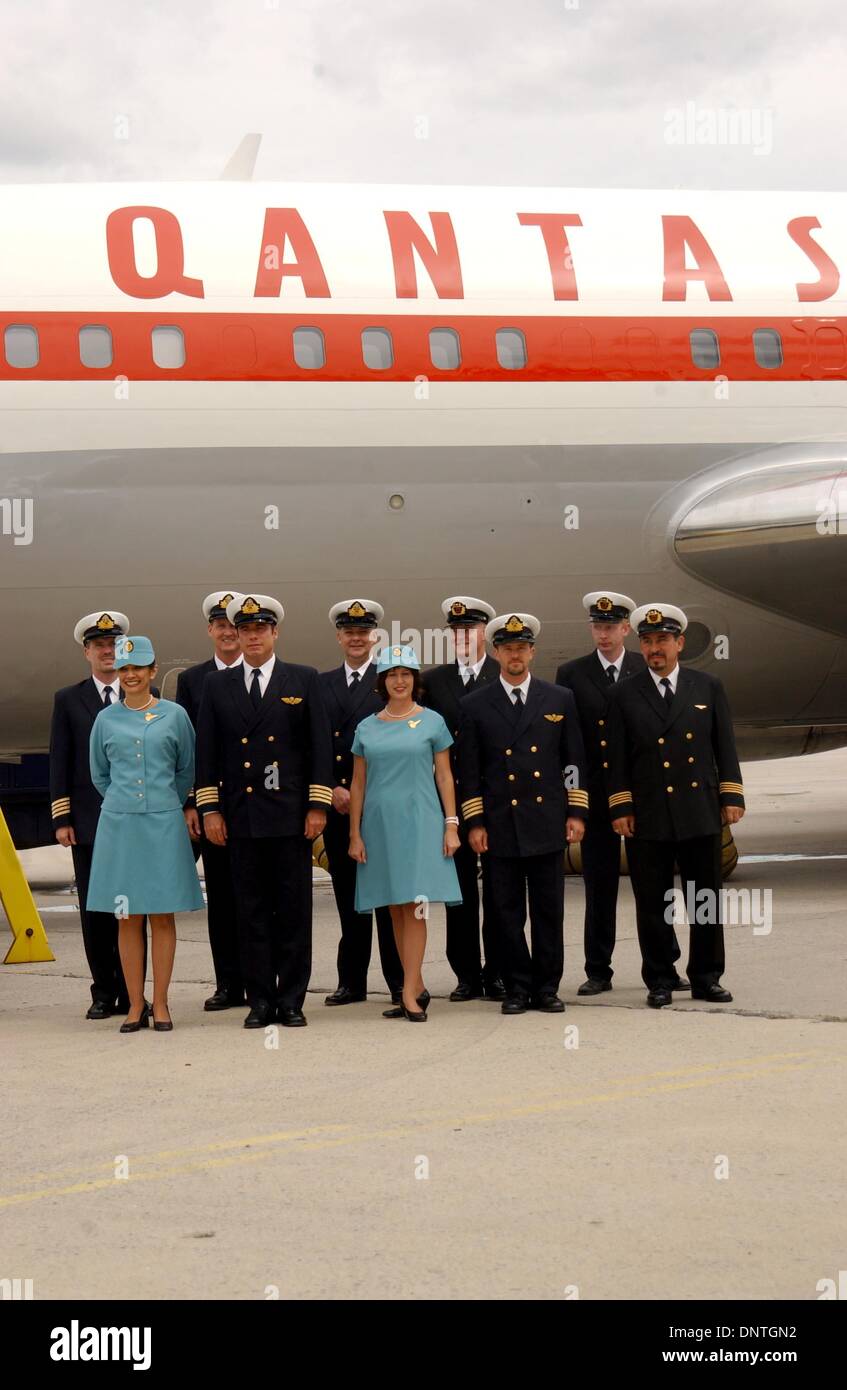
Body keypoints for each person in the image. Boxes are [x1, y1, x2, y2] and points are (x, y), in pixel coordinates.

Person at [194, 594, 333, 1029]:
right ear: (236, 633)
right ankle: (260, 1000)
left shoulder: (303, 679)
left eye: (260, 629)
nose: (252, 636)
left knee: (293, 910)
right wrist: (210, 809)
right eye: (245, 630)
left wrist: (317, 806)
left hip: (291, 816)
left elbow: (319, 748)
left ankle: (291, 999)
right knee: (249, 911)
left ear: (275, 632)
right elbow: (208, 754)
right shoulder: (218, 685)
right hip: (241, 817)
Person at [604, 604, 745, 1008]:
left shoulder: (707, 687)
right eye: (647, 641)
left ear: (679, 643)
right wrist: (620, 807)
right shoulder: (623, 693)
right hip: (648, 812)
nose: (654, 649)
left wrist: (731, 795)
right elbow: (616, 758)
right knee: (653, 902)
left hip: (698, 808)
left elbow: (725, 746)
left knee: (705, 899)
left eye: (662, 640)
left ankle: (706, 977)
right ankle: (661, 978)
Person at [456, 614, 588, 1015]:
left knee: (549, 911)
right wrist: (475, 823)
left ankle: (547, 987)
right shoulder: (474, 705)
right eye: (508, 648)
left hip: (547, 821)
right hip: (500, 826)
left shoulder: (558, 698)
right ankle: (516, 987)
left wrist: (576, 811)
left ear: (532, 651)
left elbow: (573, 760)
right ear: (496, 653)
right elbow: (469, 772)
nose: (515, 655)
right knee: (504, 914)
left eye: (522, 648)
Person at [87, 635, 204, 1032]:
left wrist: (163, 800)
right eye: (124, 669)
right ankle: (136, 1003)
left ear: (153, 671)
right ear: (117, 673)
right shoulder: (106, 719)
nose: (131, 675)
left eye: (138, 668)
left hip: (164, 823)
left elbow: (186, 767)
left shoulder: (175, 715)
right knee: (126, 916)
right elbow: (99, 774)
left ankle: (164, 1003)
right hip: (120, 826)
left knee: (162, 915)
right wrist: (126, 803)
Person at [555, 591, 669, 995]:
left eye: (611, 627)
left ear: (626, 629)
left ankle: (663, 966)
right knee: (598, 885)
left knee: (652, 885)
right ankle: (598, 969)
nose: (603, 634)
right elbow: (568, 743)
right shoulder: (572, 673)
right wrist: (574, 799)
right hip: (597, 796)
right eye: (597, 627)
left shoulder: (645, 666)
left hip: (640, 793)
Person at [348, 644, 461, 1022]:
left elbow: (444, 776)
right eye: (392, 675)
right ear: (383, 681)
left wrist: (451, 824)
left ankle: (409, 990)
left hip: (421, 822)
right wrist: (354, 834)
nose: (399, 681)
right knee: (395, 908)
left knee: (415, 907)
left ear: (416, 680)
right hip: (379, 826)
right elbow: (359, 783)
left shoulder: (432, 722)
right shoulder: (367, 726)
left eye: (406, 674)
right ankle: (415, 985)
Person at [49, 610, 147, 1018]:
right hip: (90, 823)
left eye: (114, 645)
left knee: (134, 908)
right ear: (87, 652)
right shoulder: (69, 700)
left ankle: (133, 993)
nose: (108, 652)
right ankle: (104, 991)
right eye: (100, 646)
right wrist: (62, 817)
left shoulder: (141, 695)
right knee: (96, 909)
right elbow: (61, 759)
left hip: (135, 821)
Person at [319, 600, 403, 1007]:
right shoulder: (321, 684)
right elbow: (315, 744)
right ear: (339, 637)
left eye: (363, 632)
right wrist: (330, 788)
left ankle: (399, 982)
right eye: (348, 632)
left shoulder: (390, 682)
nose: (356, 638)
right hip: (339, 805)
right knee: (350, 897)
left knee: (388, 900)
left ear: (374, 637)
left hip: (381, 805)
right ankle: (351, 982)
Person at [421, 596, 504, 1002]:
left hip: (497, 800)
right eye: (455, 631)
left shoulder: (502, 673)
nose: (462, 637)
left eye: (469, 630)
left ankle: (500, 970)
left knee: (501, 892)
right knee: (460, 894)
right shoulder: (435, 682)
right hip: (451, 800)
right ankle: (467, 973)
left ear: (485, 634)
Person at [176, 591, 246, 1012]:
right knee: (221, 901)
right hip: (214, 804)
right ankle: (228, 985)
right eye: (220, 625)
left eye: (234, 625)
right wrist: (193, 803)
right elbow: (187, 749)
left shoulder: (271, 674)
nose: (227, 632)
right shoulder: (193, 680)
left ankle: (262, 981)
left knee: (260, 900)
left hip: (258, 805)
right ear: (210, 630)